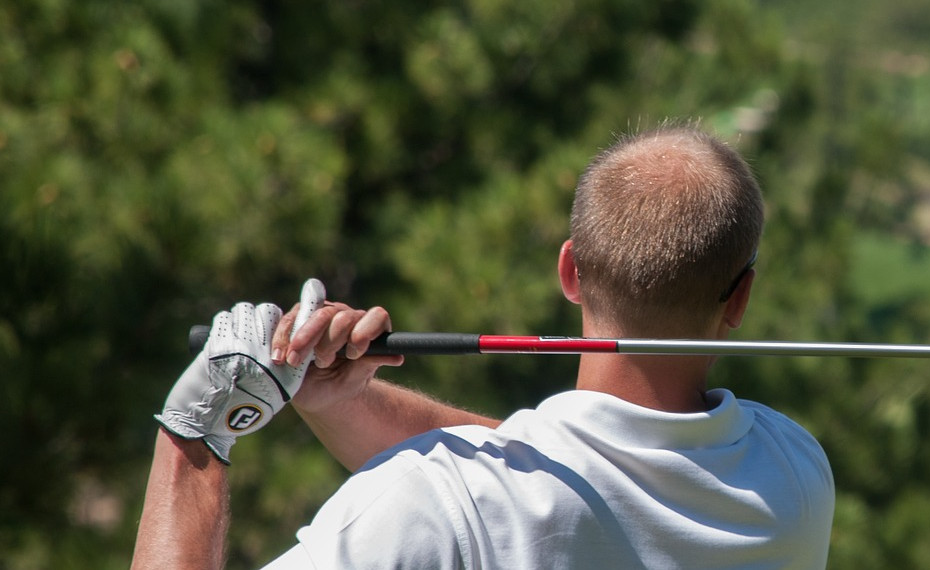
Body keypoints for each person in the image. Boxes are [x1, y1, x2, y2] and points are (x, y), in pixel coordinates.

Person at [132, 127, 835, 569]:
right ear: (739, 298)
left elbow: (530, 478)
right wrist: (346, 403)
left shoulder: (425, 506)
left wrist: (197, 436)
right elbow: (569, 468)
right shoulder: (796, 477)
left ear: (569, 271)